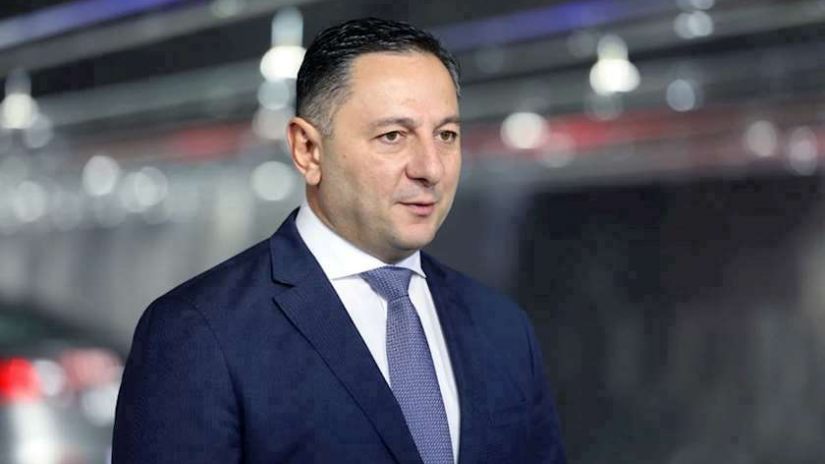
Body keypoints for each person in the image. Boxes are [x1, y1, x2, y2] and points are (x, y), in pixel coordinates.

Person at [112, 17, 565, 464]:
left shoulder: (502, 328)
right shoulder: (198, 333)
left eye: (446, 135)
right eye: (393, 136)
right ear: (307, 150)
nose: (430, 168)